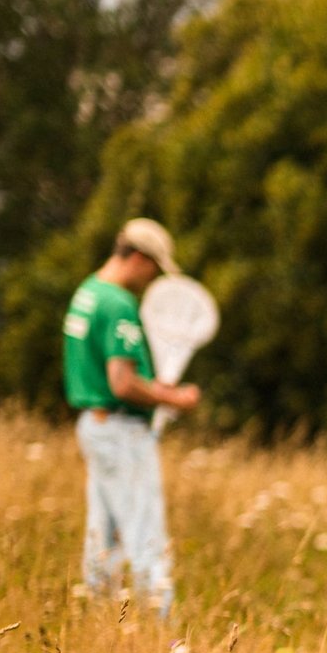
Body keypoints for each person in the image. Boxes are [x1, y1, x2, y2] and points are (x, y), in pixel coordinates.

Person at [63, 218, 200, 617]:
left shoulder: (87, 292)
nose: (152, 278)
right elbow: (122, 382)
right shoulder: (118, 303)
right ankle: (163, 627)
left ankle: (99, 617)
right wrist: (171, 397)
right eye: (154, 268)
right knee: (145, 532)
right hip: (122, 430)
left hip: (94, 423)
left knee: (102, 534)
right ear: (139, 258)